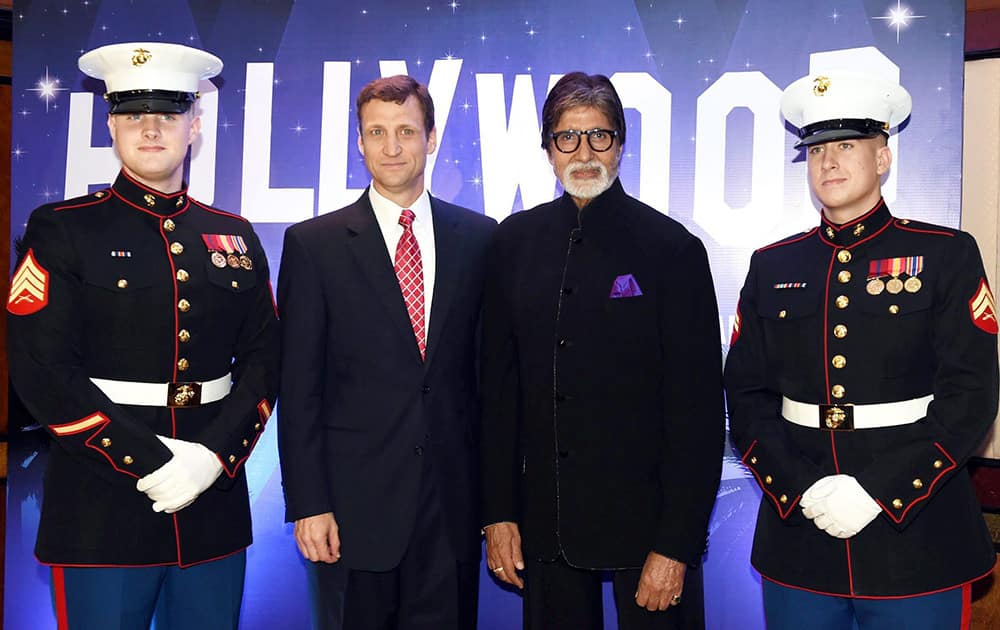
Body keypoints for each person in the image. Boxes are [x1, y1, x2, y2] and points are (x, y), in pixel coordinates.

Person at [6, 42, 279, 630]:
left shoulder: (232, 234)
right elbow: (40, 367)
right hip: (102, 501)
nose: (150, 127)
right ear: (111, 125)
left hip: (212, 502)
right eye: (133, 113)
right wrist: (153, 460)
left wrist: (211, 458)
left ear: (194, 126)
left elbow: (265, 358)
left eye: (168, 113)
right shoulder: (62, 229)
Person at [724, 71, 999, 629]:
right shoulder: (773, 265)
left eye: (847, 145)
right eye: (818, 148)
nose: (828, 161)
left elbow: (970, 396)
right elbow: (746, 395)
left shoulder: (945, 254)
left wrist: (880, 492)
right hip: (801, 533)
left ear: (883, 158)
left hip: (916, 534)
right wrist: (799, 488)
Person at [479, 72, 725, 630]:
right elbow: (497, 395)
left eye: (600, 136)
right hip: (545, 527)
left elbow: (699, 412)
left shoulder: (671, 249)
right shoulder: (512, 244)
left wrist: (677, 544)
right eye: (568, 137)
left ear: (620, 144)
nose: (584, 152)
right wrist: (498, 514)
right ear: (547, 148)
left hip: (649, 534)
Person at [277, 75, 496, 630]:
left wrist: (498, 508)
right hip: (350, 514)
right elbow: (299, 388)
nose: (391, 147)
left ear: (432, 137)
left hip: (451, 510)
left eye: (405, 131)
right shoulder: (313, 245)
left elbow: (489, 381)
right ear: (359, 141)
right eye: (376, 132)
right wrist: (308, 503)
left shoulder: (480, 239)